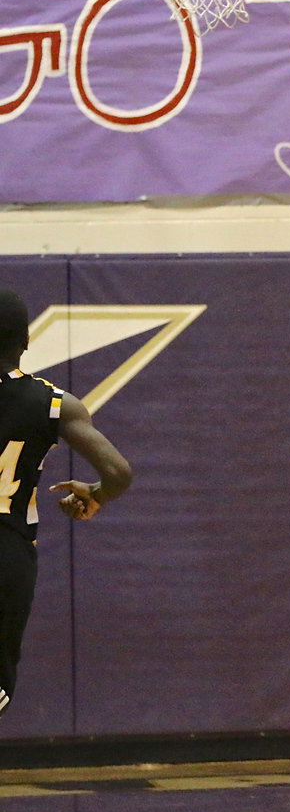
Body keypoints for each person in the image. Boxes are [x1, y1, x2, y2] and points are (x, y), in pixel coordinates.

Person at [0, 289, 132, 721]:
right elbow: (118, 473)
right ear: (25, 342)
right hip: (8, 554)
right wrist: (94, 494)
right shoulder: (54, 403)